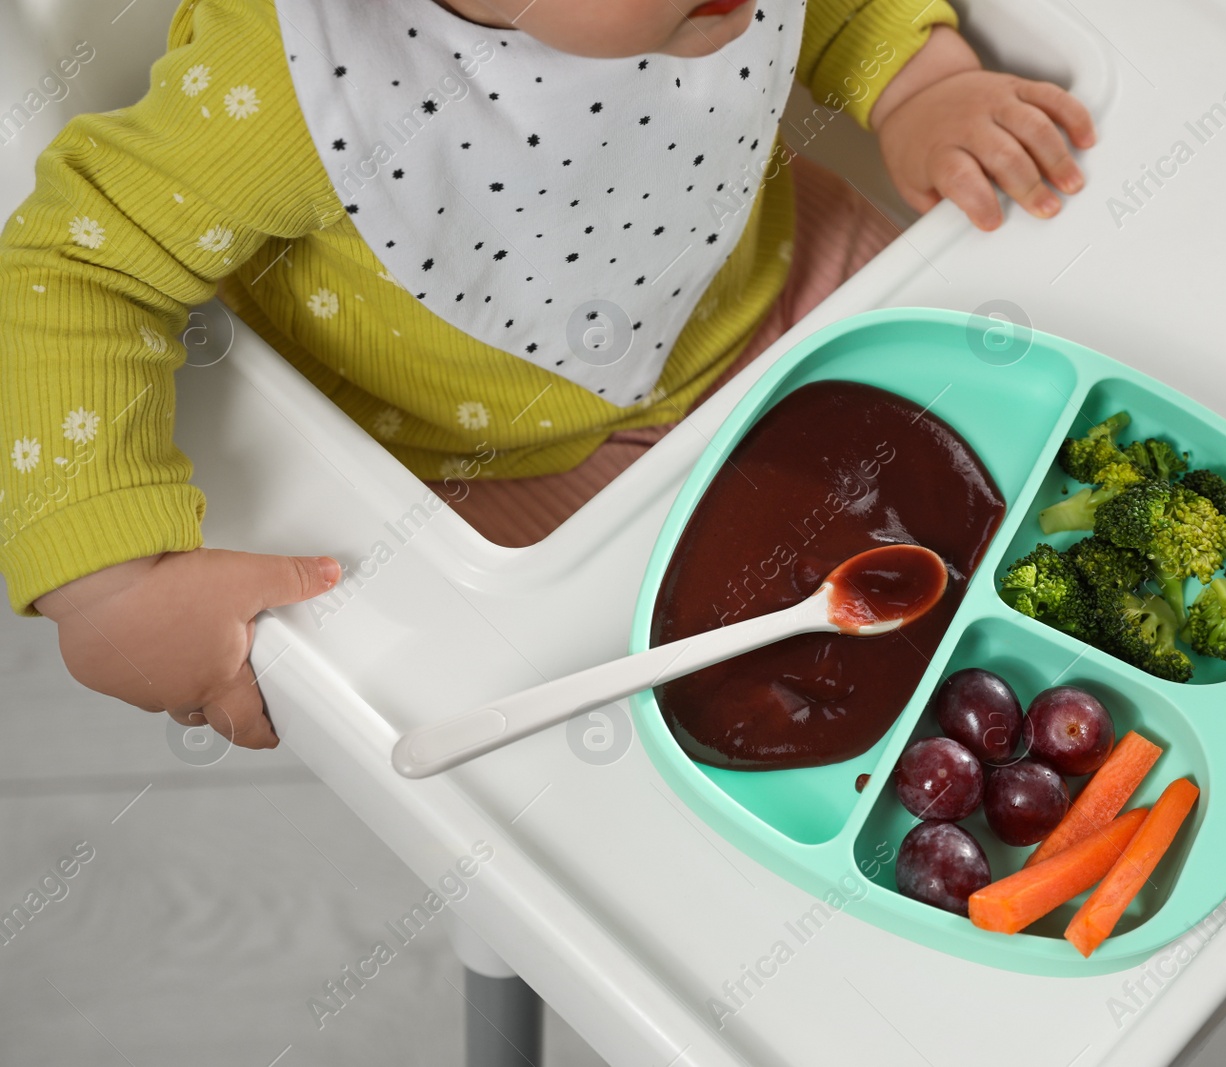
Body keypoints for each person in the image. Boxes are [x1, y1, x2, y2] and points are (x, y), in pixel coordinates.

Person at [0, 0, 1095, 750]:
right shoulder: (292, 88)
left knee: (1045, 431)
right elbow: (69, 271)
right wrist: (103, 577)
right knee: (615, 719)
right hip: (486, 452)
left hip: (766, 278)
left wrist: (921, 86)